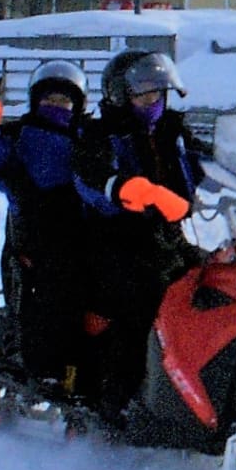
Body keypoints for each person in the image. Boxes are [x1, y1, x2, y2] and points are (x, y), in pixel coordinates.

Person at [72, 50, 206, 419]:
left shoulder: (173, 132)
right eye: (144, 95)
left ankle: (209, 386)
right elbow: (90, 177)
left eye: (158, 95)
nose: (152, 102)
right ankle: (119, 406)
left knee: (222, 281)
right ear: (119, 95)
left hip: (168, 240)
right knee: (145, 307)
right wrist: (134, 190)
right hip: (116, 245)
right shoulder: (101, 134)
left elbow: (209, 161)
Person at [0, 59, 93, 395]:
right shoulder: (21, 136)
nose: (57, 108)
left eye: (64, 102)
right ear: (36, 101)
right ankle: (45, 371)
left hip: (86, 237)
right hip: (36, 242)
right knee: (52, 301)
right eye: (49, 101)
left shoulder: (88, 137)